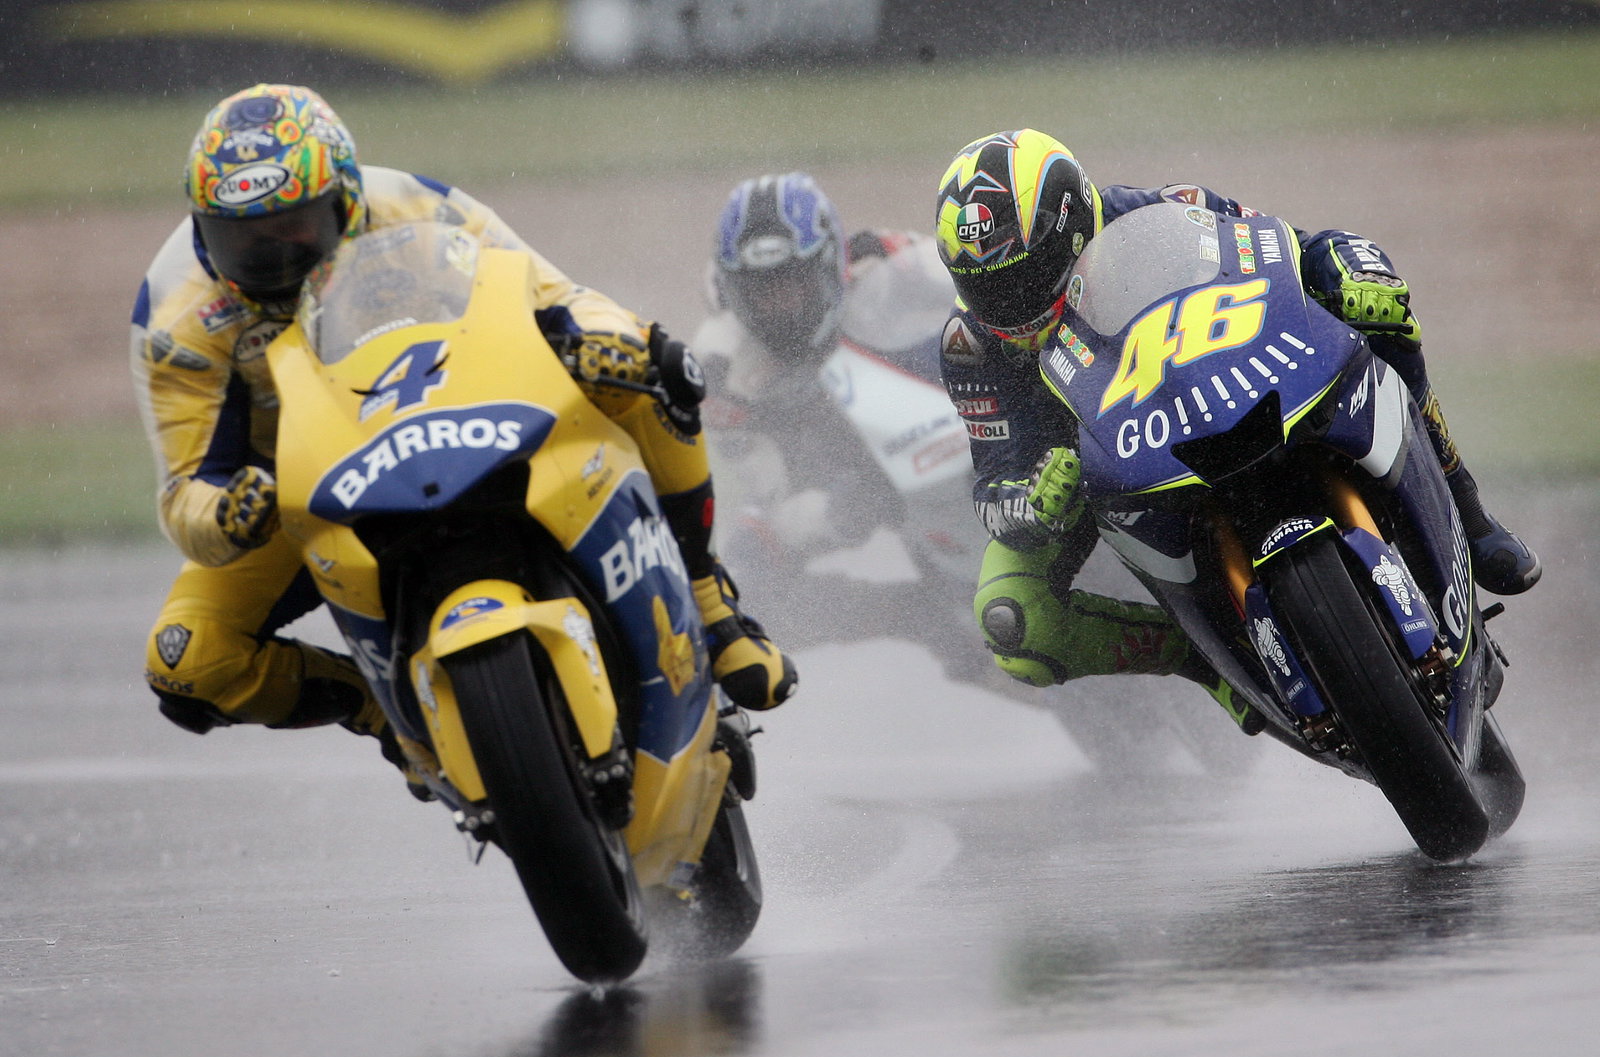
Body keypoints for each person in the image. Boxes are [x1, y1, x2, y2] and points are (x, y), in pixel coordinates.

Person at [131, 84, 796, 789]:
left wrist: (617, 341)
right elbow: (184, 495)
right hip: (304, 491)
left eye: (295, 227)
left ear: (344, 200)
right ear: (204, 228)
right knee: (187, 661)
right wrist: (230, 511)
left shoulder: (417, 209)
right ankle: (381, 709)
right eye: (244, 238)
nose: (274, 259)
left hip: (467, 408)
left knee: (654, 366)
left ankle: (710, 602)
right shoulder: (180, 327)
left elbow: (554, 297)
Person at [932, 128, 1541, 732]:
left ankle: (1472, 515)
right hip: (1097, 468)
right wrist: (1033, 500)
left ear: (1068, 230)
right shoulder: (971, 349)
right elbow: (992, 485)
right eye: (984, 286)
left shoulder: (1167, 210)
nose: (1006, 302)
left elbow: (1292, 250)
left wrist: (1352, 269)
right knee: (1010, 619)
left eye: (1021, 277)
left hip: (1231, 383)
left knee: (1379, 313)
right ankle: (1206, 664)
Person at [692, 172, 995, 669]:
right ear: (732, 290)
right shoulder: (723, 371)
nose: (781, 308)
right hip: (843, 477)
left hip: (951, 428)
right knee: (743, 594)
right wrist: (836, 510)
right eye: (761, 293)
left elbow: (983, 290)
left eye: (792, 285)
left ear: (833, 265)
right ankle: (923, 623)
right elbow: (771, 492)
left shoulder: (888, 261)